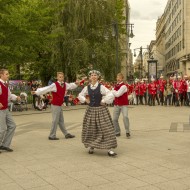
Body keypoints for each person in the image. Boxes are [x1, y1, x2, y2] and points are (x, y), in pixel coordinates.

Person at [78, 70, 117, 157]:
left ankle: (109, 149)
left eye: (95, 75)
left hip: (101, 110)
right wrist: (85, 100)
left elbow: (110, 94)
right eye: (92, 75)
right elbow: (80, 95)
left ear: (98, 77)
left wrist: (103, 100)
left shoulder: (101, 87)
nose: (94, 76)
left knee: (106, 129)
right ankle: (92, 146)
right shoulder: (87, 88)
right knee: (91, 129)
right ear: (90, 77)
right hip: (91, 110)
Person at [32, 72, 79, 140]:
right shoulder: (54, 85)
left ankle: (66, 134)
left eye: (62, 77)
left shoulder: (65, 84)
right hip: (55, 105)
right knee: (55, 121)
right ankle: (52, 135)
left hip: (59, 105)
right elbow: (46, 89)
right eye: (59, 77)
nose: (61, 78)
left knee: (61, 121)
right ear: (57, 77)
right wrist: (37, 92)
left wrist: (76, 83)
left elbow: (71, 85)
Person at [0, 69, 20, 152]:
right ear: (1, 75)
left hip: (5, 109)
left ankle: (5, 144)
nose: (8, 75)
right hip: (0, 110)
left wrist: (16, 97)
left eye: (8, 74)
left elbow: (9, 95)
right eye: (6, 74)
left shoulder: (6, 85)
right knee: (2, 129)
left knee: (12, 126)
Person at [112, 73, 130, 138]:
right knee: (114, 119)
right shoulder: (115, 85)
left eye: (119, 77)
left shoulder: (124, 86)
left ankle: (127, 131)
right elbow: (114, 94)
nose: (118, 79)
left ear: (122, 78)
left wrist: (113, 91)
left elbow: (117, 94)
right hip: (116, 104)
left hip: (123, 104)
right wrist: (113, 91)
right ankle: (117, 131)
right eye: (117, 77)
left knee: (125, 117)